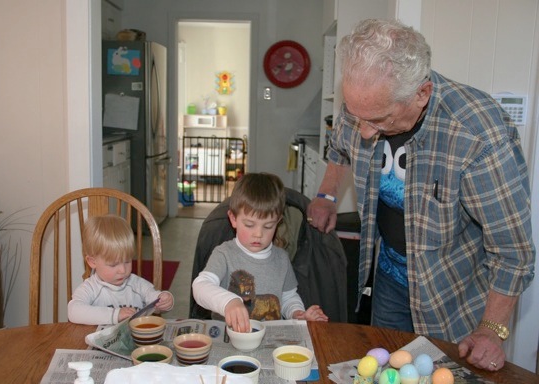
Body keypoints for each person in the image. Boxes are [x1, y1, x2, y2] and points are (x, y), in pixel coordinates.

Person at [307, 19, 535, 372]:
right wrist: (327, 194)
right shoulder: (364, 102)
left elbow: (513, 251)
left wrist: (492, 330)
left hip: (452, 297)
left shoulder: (477, 134)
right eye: (356, 116)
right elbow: (341, 146)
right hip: (388, 277)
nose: (364, 132)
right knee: (387, 372)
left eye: (377, 120)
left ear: (422, 94)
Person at [192, 172, 328, 333]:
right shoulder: (224, 254)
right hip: (230, 339)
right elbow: (200, 286)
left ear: (278, 222)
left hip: (269, 338)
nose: (258, 234)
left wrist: (297, 313)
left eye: (268, 226)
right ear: (233, 219)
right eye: (249, 225)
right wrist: (229, 302)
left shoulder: (282, 259)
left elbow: (288, 298)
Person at [68, 214, 174, 325]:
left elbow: (153, 299)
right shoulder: (90, 288)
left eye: (127, 261)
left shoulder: (136, 284)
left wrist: (164, 300)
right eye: (113, 265)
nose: (123, 270)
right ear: (92, 262)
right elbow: (73, 311)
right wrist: (115, 315)